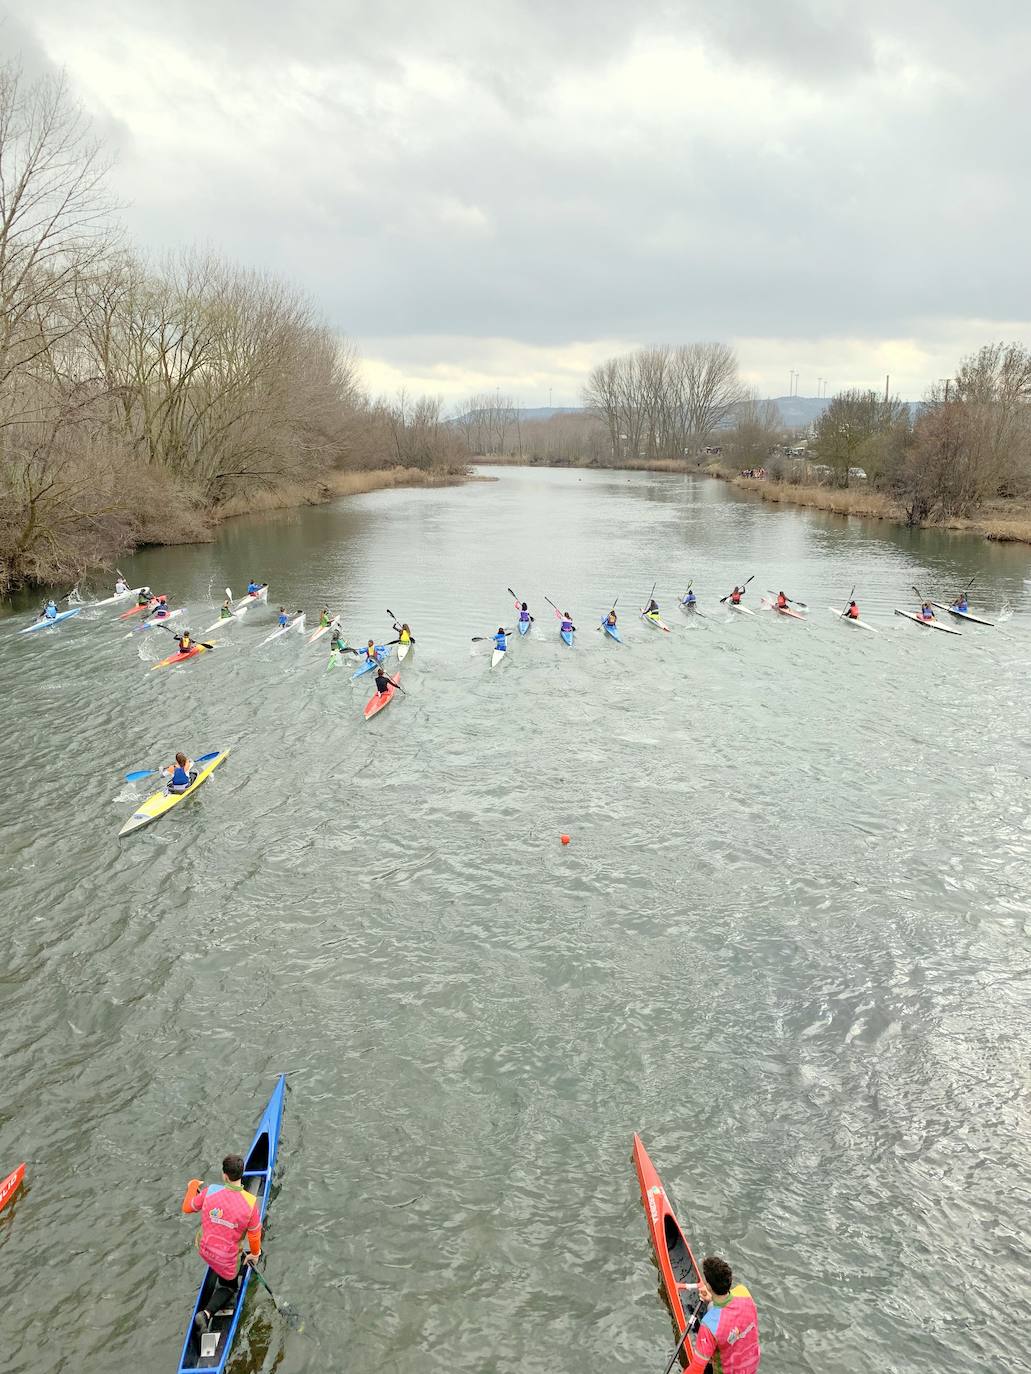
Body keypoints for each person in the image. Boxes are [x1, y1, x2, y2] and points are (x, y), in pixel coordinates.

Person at [181, 1153, 262, 1337]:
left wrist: (193, 1186)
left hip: (205, 1250)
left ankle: (216, 1271)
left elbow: (187, 1207)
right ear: (241, 1174)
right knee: (229, 1286)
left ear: (224, 1175)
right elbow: (255, 1234)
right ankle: (206, 1314)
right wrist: (255, 1254)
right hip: (226, 1259)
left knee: (220, 1259)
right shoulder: (250, 1203)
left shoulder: (210, 1191)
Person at [684, 1254, 760, 1374]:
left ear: (708, 1286)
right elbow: (726, 1300)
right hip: (751, 1367)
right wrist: (711, 1299)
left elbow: (697, 1369)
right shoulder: (743, 1292)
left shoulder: (709, 1324)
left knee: (699, 1355)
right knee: (711, 1306)